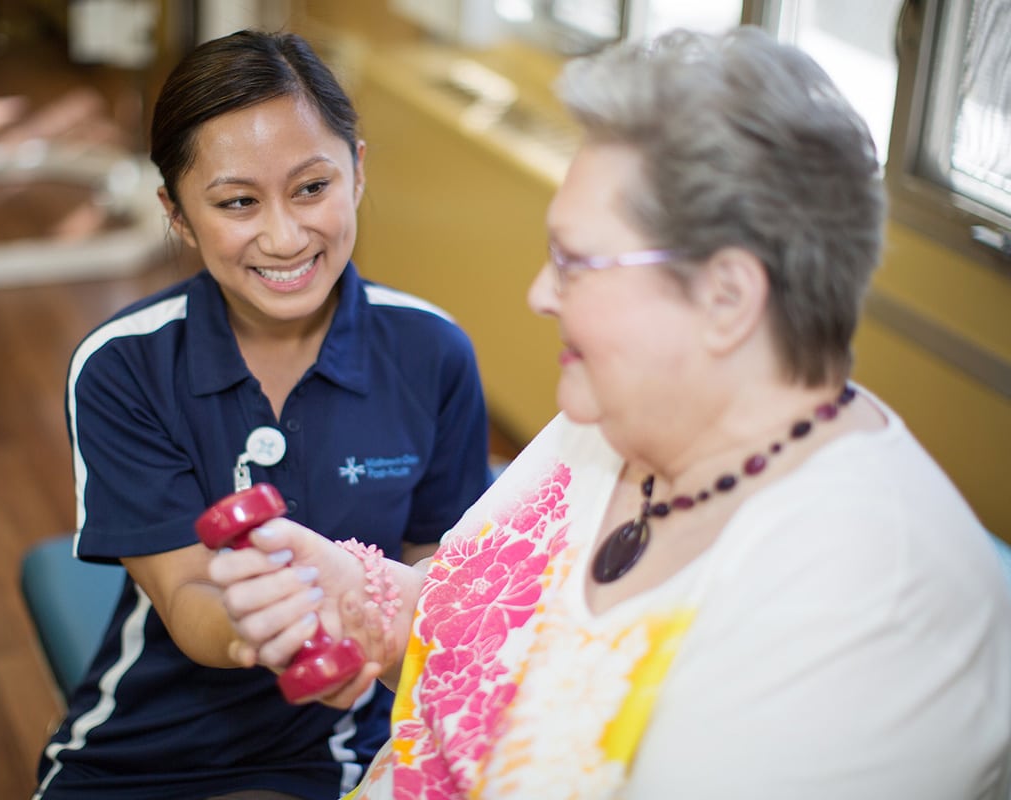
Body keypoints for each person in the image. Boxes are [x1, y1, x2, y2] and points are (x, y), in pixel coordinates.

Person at [207, 26, 1011, 799]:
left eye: (577, 263)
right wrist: (360, 594)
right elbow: (486, 640)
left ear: (726, 297)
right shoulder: (612, 422)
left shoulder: (868, 607)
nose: (539, 294)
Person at [32, 30, 492, 800]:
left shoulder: (433, 352)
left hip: (347, 739)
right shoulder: (122, 365)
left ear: (358, 171)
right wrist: (262, 627)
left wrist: (368, 625)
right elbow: (186, 597)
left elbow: (438, 569)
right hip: (148, 744)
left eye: (312, 187)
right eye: (238, 202)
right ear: (177, 213)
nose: (284, 237)